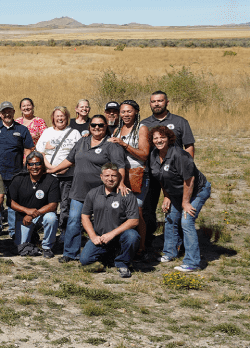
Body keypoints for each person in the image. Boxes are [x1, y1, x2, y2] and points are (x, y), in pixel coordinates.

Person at [48, 114, 127, 264]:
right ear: (89, 127)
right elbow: (69, 160)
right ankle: (70, 253)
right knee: (73, 221)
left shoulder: (111, 145)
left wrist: (121, 183)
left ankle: (103, 251)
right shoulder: (82, 141)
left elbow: (119, 166)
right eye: (94, 125)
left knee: (100, 223)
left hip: (100, 192)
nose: (97, 128)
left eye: (101, 125)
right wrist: (54, 170)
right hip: (79, 190)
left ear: (106, 127)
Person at [140, 90, 196, 252]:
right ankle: (148, 239)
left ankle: (178, 242)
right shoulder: (144, 124)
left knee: (175, 207)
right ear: (150, 104)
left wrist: (187, 168)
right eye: (153, 101)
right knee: (148, 207)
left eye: (160, 101)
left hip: (174, 175)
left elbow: (189, 146)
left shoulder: (180, 122)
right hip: (152, 173)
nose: (156, 104)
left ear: (167, 102)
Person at [149, 126, 211, 272]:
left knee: (186, 220)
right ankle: (170, 252)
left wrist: (186, 203)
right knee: (170, 218)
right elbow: (161, 178)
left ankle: (192, 262)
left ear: (169, 138)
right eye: (155, 138)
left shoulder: (178, 154)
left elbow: (189, 179)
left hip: (197, 190)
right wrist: (167, 196)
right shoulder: (154, 155)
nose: (159, 140)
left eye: (162, 137)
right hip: (176, 193)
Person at [0, 101, 34, 239]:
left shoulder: (22, 129)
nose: (7, 114)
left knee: (12, 203)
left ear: (14, 113)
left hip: (15, 173)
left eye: (9, 111)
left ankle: (12, 232)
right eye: (4, 112)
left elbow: (29, 149)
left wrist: (25, 165)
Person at [79, 164, 140, 278]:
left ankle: (123, 263)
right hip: (101, 237)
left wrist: (111, 234)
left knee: (132, 236)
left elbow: (134, 221)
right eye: (107, 175)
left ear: (119, 177)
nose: (110, 179)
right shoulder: (93, 193)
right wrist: (93, 236)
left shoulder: (127, 194)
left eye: (113, 176)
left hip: (121, 236)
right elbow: (85, 216)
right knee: (85, 260)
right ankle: (109, 257)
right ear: (101, 176)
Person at [109, 100, 151, 249]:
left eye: (129, 111)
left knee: (137, 212)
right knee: (120, 211)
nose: (126, 115)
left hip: (137, 175)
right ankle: (124, 244)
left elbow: (144, 154)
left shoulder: (142, 128)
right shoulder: (117, 130)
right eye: (123, 112)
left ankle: (141, 247)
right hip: (120, 175)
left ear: (136, 112)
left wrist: (124, 144)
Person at [37, 106, 82, 234]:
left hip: (68, 177)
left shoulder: (74, 133)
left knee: (65, 205)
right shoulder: (47, 132)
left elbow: (79, 155)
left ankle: (63, 231)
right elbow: (40, 153)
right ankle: (47, 230)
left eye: (62, 116)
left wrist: (66, 167)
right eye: (57, 116)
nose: (60, 118)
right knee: (48, 204)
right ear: (53, 118)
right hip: (50, 176)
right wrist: (52, 169)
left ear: (67, 118)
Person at [8, 152, 60, 258]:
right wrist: (26, 211)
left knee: (51, 218)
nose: (34, 167)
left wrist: (33, 214)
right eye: (31, 164)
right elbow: (10, 202)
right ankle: (32, 236)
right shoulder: (18, 178)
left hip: (42, 215)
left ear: (43, 165)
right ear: (27, 166)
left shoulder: (52, 180)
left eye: (38, 164)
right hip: (23, 216)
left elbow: (53, 205)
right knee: (21, 246)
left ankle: (47, 247)